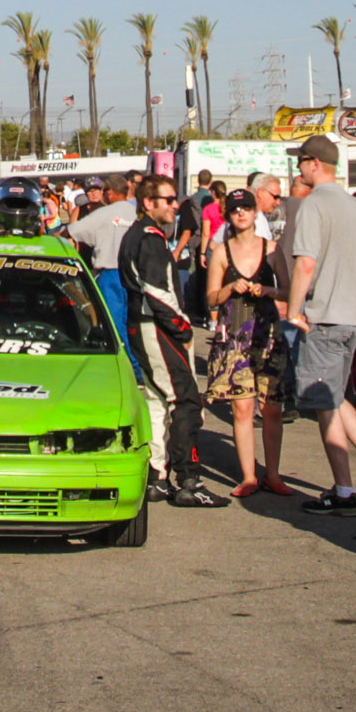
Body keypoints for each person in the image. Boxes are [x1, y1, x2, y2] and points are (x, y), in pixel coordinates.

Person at [284, 136, 356, 517]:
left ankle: (344, 490)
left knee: (324, 404)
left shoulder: (314, 205)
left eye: (301, 161)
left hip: (326, 318)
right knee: (335, 394)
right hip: (353, 320)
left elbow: (305, 264)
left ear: (315, 163)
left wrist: (294, 311)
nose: (298, 168)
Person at [122, 177, 225, 508]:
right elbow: (157, 292)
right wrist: (182, 328)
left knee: (157, 400)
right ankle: (189, 479)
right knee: (185, 401)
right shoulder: (148, 237)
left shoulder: (141, 234)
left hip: (145, 325)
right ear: (148, 202)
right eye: (168, 200)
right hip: (156, 326)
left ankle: (157, 475)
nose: (175, 205)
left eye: (174, 199)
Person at [205, 190, 293, 498]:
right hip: (235, 336)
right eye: (235, 210)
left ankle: (273, 475)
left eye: (246, 208)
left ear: (256, 212)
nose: (241, 213)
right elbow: (210, 298)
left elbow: (289, 290)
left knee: (271, 408)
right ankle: (248, 477)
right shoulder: (221, 252)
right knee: (242, 408)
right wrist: (230, 287)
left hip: (268, 335)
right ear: (228, 216)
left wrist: (268, 290)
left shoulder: (272, 249)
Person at [68, 178, 140, 367]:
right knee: (132, 324)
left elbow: (74, 231)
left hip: (110, 274)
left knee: (113, 324)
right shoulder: (138, 214)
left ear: (110, 193)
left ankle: (128, 366)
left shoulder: (103, 213)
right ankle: (138, 365)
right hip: (135, 275)